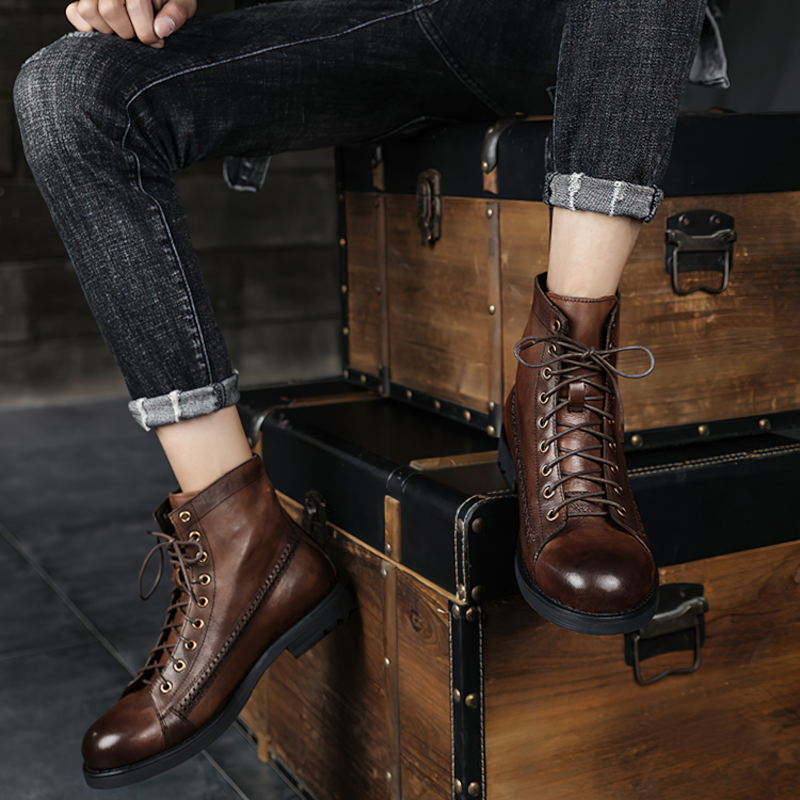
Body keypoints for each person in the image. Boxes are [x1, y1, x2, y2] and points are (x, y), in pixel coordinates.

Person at [12, 0, 707, 787]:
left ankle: (564, 378)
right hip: (357, 19)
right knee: (67, 87)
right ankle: (237, 532)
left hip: (556, 18)